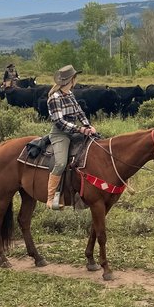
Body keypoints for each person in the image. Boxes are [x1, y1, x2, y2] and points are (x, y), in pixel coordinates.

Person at [45, 65, 97, 210]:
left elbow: (80, 113)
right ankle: (50, 199)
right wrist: (79, 129)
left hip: (74, 131)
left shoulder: (70, 94)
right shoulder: (54, 98)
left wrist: (88, 126)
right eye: (75, 77)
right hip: (60, 134)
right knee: (61, 163)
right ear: (72, 80)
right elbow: (59, 122)